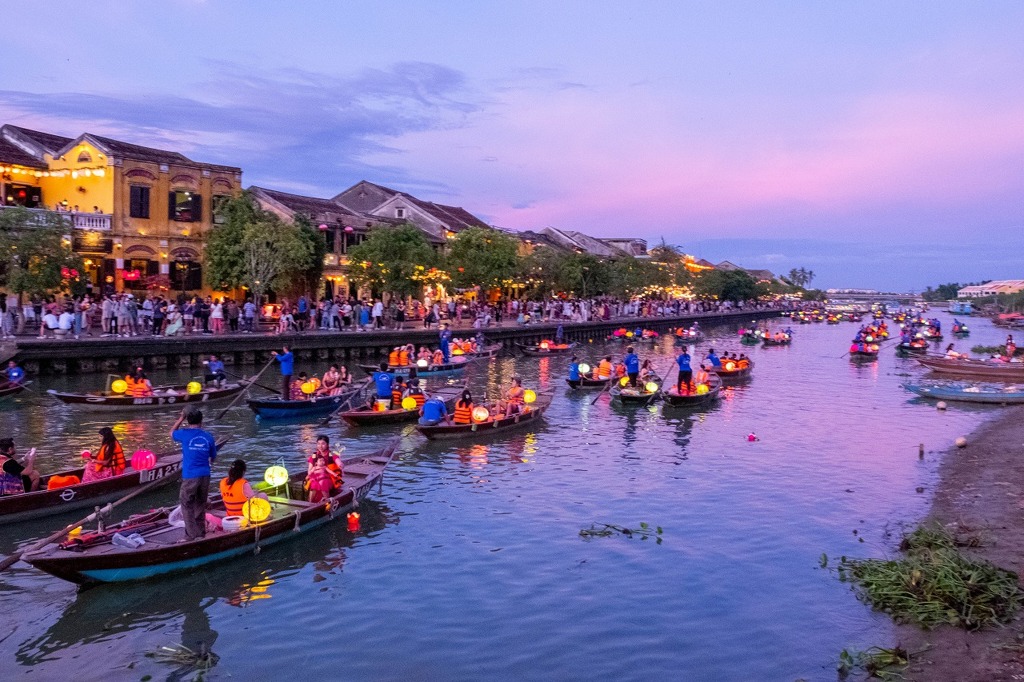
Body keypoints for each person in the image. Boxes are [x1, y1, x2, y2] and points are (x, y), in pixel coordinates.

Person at [170, 408, 218, 541]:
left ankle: (191, 536)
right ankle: (201, 533)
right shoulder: (208, 436)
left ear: (187, 420)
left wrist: (180, 418)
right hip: (204, 475)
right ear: (201, 421)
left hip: (190, 475)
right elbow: (212, 457)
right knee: (200, 504)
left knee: (186, 505)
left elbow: (171, 432)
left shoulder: (184, 434)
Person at [306, 435, 342, 503]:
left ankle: (327, 502)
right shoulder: (314, 456)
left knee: (322, 482)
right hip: (316, 477)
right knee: (313, 483)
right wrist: (311, 476)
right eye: (318, 443)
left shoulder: (331, 454)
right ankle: (309, 503)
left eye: (323, 443)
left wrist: (340, 465)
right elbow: (309, 470)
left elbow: (337, 460)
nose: (320, 446)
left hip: (330, 478)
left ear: (327, 445)